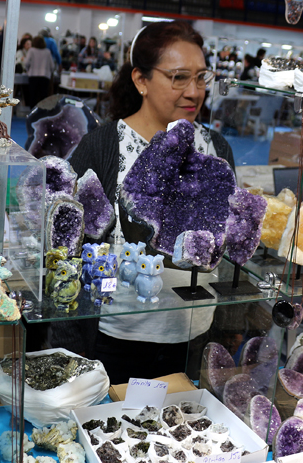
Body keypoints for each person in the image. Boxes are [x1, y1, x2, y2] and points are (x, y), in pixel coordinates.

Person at [66, 21, 234, 384]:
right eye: (179, 78)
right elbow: (67, 244)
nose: (194, 92)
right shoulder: (103, 146)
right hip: (117, 338)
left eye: (201, 77)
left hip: (194, 334)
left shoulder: (216, 147)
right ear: (141, 80)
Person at [23, 36, 54, 108]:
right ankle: (42, 112)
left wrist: (27, 70)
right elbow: (52, 66)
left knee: (33, 97)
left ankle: (32, 111)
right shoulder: (47, 52)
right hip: (45, 77)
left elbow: (26, 63)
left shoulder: (31, 50)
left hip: (33, 76)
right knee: (43, 97)